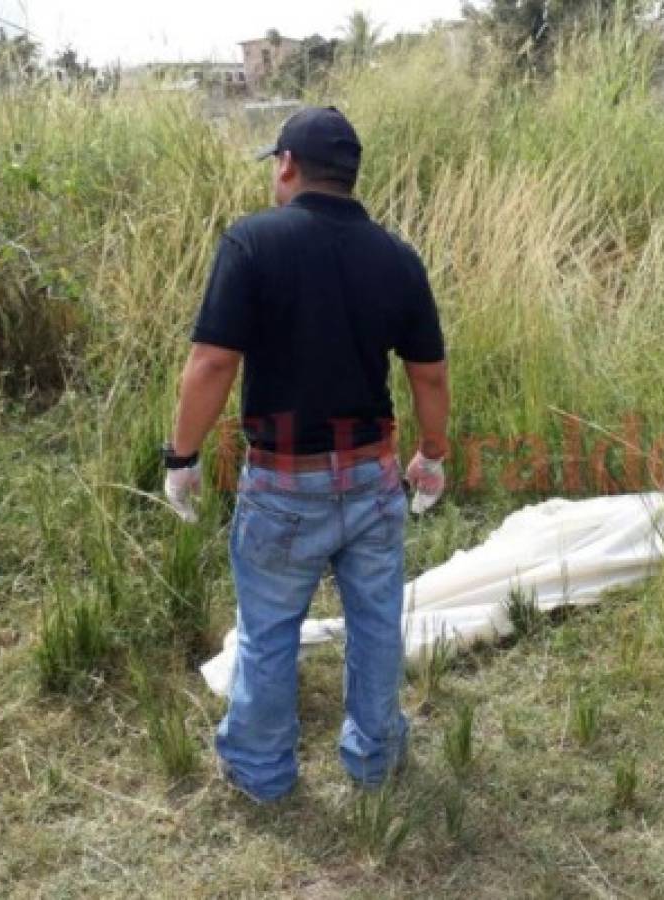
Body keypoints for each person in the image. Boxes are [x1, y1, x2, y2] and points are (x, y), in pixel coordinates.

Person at [161, 106, 450, 802]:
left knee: (268, 632)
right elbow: (429, 374)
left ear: (287, 164)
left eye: (274, 163)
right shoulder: (397, 256)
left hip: (284, 481)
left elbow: (210, 364)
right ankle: (374, 759)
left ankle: (262, 773)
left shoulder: (252, 242)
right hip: (374, 474)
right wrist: (431, 455)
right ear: (349, 174)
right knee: (377, 624)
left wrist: (182, 456)